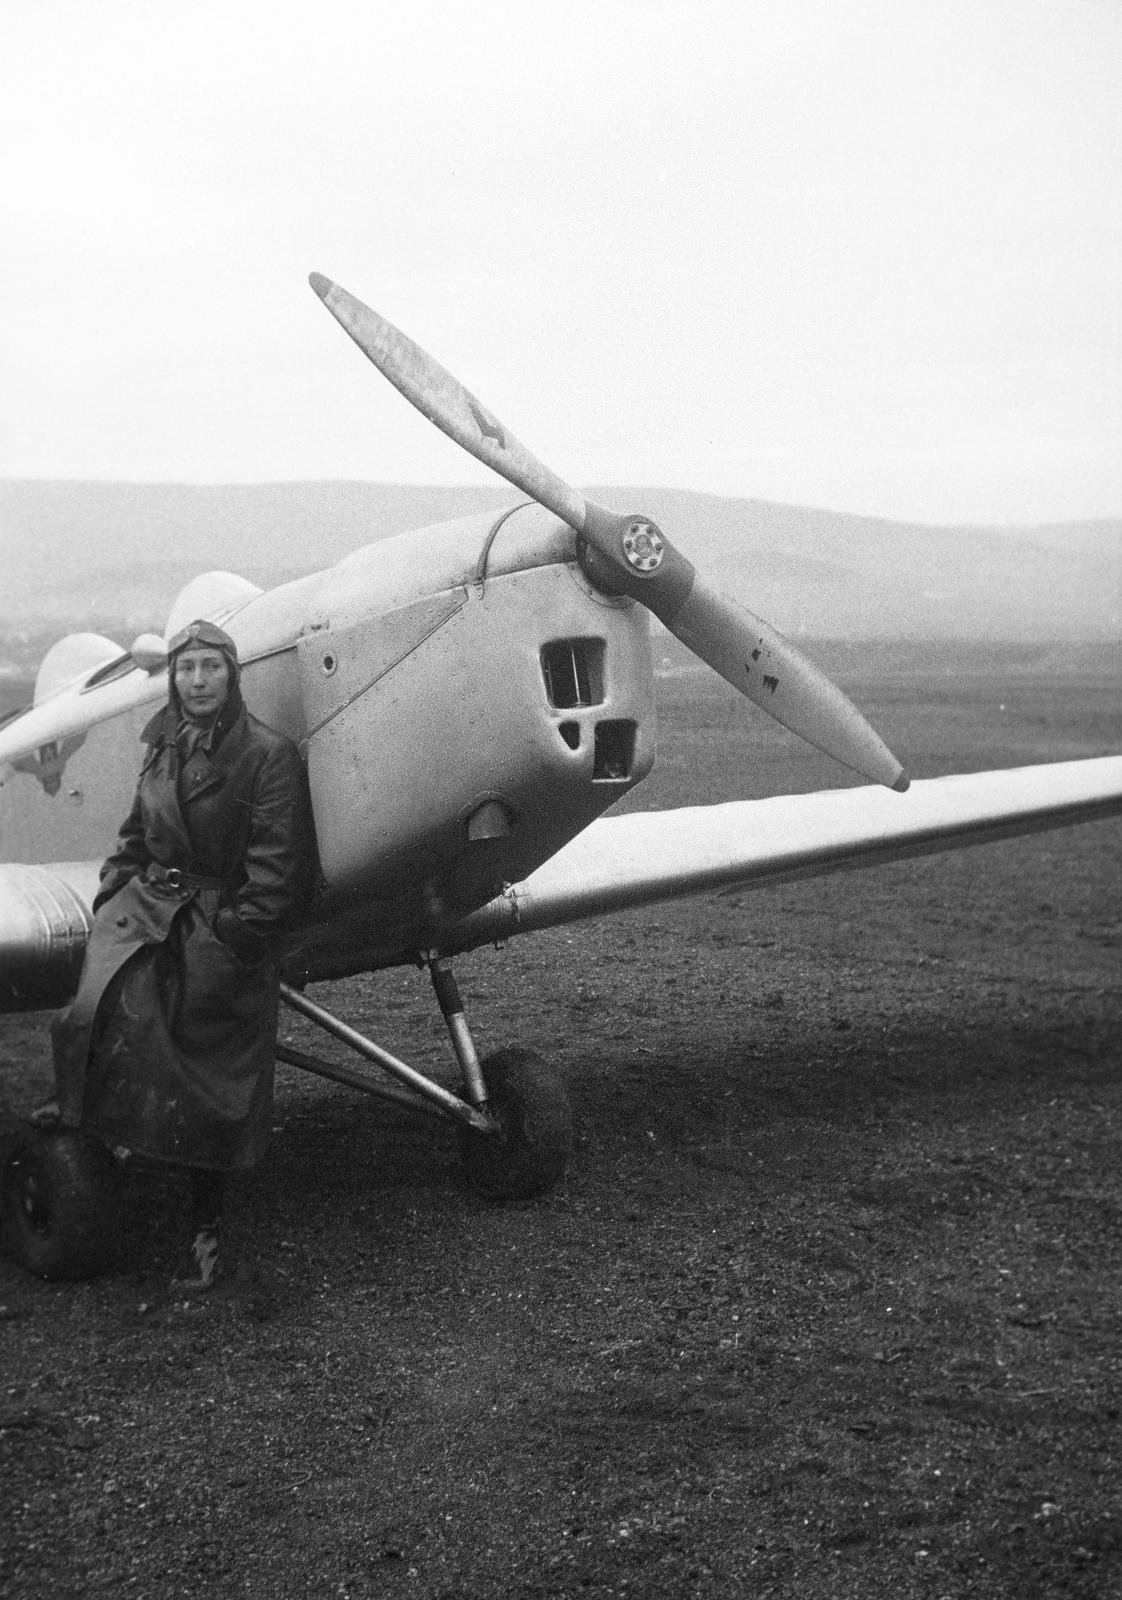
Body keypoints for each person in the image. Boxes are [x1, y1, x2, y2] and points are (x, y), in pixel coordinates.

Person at [47, 619, 315, 1290]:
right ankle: (92, 1150)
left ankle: (206, 1234)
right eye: (187, 668)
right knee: (91, 1018)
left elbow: (278, 877)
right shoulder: (161, 742)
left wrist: (231, 942)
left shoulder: (267, 756)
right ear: (174, 678)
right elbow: (136, 833)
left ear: (232, 675)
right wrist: (113, 897)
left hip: (214, 930)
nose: (198, 681)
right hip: (144, 915)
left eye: (211, 667)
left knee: (209, 1087)